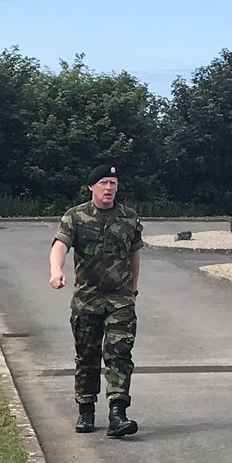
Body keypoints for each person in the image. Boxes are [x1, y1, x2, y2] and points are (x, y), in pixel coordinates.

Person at [48, 163, 143, 437]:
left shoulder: (128, 217)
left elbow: (134, 254)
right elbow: (60, 246)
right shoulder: (75, 216)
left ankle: (118, 413)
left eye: (113, 183)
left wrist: (133, 289)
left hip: (120, 300)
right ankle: (86, 409)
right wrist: (56, 271)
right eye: (103, 182)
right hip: (87, 300)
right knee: (87, 356)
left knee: (119, 354)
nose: (109, 188)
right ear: (92, 187)